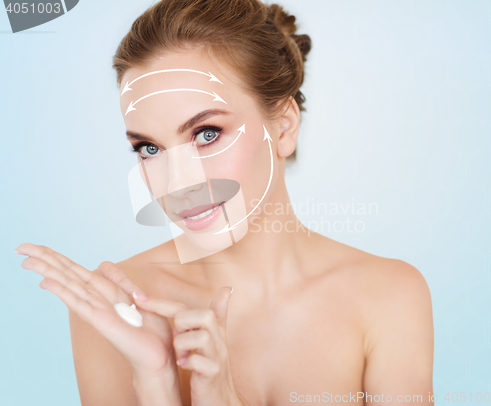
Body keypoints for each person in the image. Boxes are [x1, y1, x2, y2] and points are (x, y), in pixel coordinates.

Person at [16, 0, 434, 405]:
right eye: (148, 148)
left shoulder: (388, 296)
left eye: (206, 134)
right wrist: (156, 383)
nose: (178, 183)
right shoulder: (117, 310)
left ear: (284, 127)